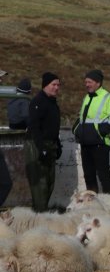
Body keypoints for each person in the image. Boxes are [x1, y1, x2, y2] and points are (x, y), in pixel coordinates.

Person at [75, 69, 110, 193]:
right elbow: (83, 118)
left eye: (89, 82)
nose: (87, 84)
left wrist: (100, 131)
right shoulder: (87, 97)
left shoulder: (108, 97)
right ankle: (92, 202)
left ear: (98, 83)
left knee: (103, 176)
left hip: (100, 144)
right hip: (85, 143)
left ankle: (109, 202)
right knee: (88, 176)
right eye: (86, 82)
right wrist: (77, 129)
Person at [25, 72, 61, 211]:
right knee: (40, 184)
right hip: (36, 145)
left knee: (50, 182)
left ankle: (42, 212)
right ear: (45, 85)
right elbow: (34, 126)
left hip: (50, 145)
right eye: (53, 84)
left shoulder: (53, 103)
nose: (56, 88)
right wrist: (41, 148)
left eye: (58, 85)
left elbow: (52, 126)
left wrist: (57, 144)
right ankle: (39, 215)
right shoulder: (38, 102)